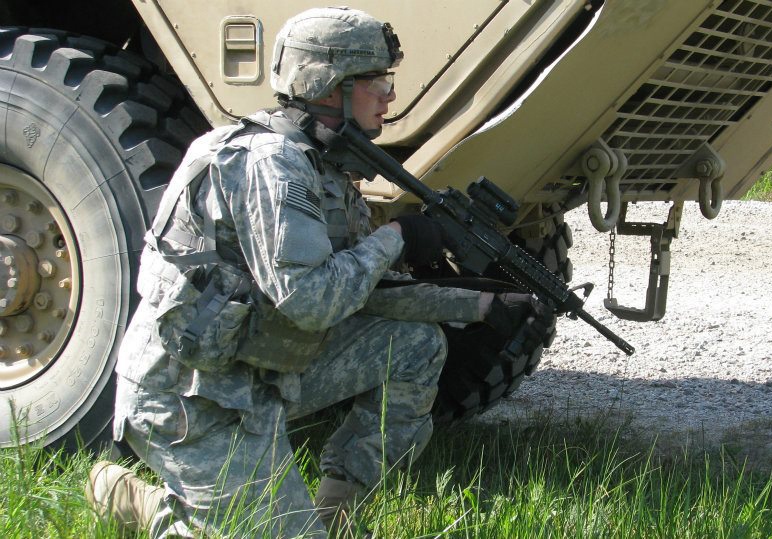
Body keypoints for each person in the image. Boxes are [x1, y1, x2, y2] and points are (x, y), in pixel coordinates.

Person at [84, 7, 543, 538]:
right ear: (329, 85)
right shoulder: (269, 165)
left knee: (415, 346)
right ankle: (137, 502)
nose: (390, 97)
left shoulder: (318, 164)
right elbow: (312, 300)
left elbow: (360, 294)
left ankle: (335, 516)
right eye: (378, 82)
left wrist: (483, 307)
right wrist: (394, 238)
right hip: (193, 395)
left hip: (259, 373)